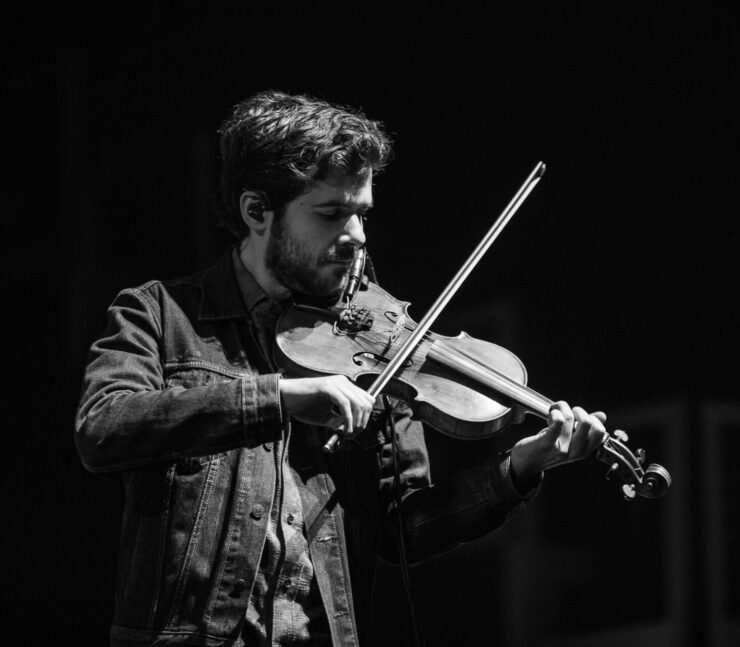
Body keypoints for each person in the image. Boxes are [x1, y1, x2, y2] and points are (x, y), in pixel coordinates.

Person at [75, 90, 608, 647]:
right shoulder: (158, 314)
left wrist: (521, 466)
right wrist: (278, 397)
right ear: (256, 211)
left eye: (362, 214)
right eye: (331, 213)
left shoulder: (377, 342)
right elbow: (104, 428)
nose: (356, 237)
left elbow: (405, 529)